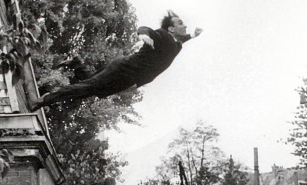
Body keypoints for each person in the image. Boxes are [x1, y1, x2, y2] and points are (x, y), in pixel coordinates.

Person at [29, 10, 203, 110]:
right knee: (87, 88)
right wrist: (143, 34)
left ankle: (77, 63)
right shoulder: (164, 36)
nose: (185, 25)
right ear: (171, 28)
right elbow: (147, 29)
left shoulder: (176, 44)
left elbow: (182, 39)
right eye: (180, 23)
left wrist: (193, 36)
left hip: (129, 79)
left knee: (93, 89)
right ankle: (43, 100)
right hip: (123, 69)